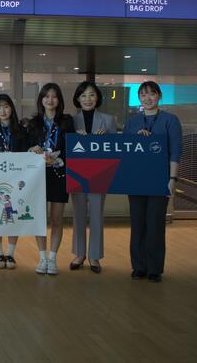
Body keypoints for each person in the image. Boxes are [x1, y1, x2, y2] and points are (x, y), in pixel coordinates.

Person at [123, 81, 182, 283]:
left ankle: (154, 268)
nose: (148, 98)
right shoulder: (132, 122)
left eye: (152, 94)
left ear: (159, 96)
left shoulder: (170, 120)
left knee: (155, 224)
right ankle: (139, 266)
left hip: (160, 180)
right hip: (137, 179)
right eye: (143, 95)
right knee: (138, 223)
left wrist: (172, 179)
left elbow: (175, 151)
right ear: (139, 98)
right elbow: (124, 150)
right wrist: (138, 139)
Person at [27, 83, 75, 276]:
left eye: (54, 96)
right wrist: (31, 149)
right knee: (39, 219)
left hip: (59, 174)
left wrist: (60, 157)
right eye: (46, 96)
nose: (50, 100)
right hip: (38, 176)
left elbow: (72, 147)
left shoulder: (67, 121)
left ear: (59, 100)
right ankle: (42, 257)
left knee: (56, 219)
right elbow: (27, 147)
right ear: (41, 100)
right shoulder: (34, 123)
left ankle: (53, 258)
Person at [70, 81, 117, 274]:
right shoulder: (71, 121)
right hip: (77, 174)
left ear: (97, 98)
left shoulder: (108, 120)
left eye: (91, 95)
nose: (87, 99)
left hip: (100, 173)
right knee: (78, 215)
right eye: (83, 95)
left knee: (97, 215)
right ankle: (79, 254)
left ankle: (94, 256)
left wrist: (104, 138)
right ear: (78, 99)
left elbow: (115, 147)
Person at [0, 94, 29, 269]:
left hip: (16, 179)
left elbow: (27, 153)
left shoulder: (22, 131)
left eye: (6, 106)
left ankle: (10, 254)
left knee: (13, 216)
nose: (2, 110)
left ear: (11, 108)